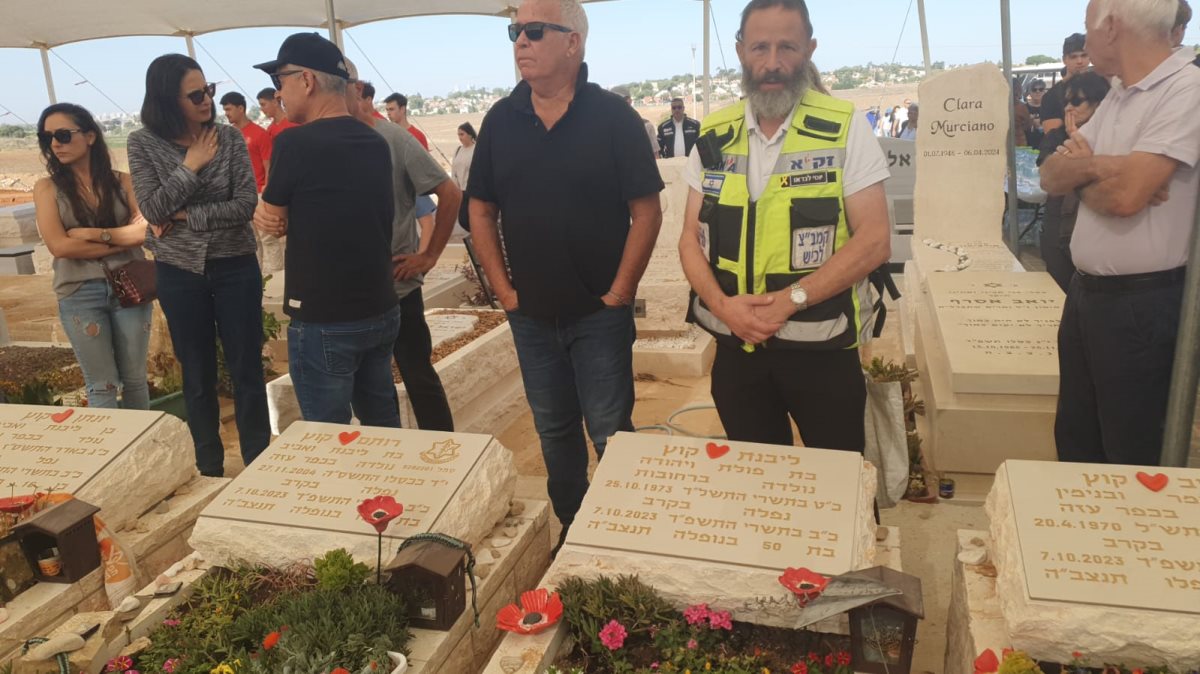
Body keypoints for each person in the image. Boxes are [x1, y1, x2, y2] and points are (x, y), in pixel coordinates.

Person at [468, 0, 664, 552]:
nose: (520, 41)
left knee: (610, 431)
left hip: (599, 315)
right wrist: (504, 291)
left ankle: (623, 539)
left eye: (534, 31)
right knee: (554, 433)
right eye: (515, 31)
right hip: (530, 317)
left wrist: (619, 293)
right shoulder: (501, 120)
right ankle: (574, 533)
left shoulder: (613, 118)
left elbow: (647, 211)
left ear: (573, 42)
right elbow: (479, 208)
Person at [679, 0, 891, 450]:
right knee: (756, 476)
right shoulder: (714, 134)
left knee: (837, 479)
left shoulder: (845, 127)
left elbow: (874, 241)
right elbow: (689, 241)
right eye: (760, 47)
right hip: (737, 349)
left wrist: (790, 300)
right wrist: (723, 307)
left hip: (823, 352)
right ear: (740, 51)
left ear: (809, 49)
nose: (772, 62)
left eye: (787, 47)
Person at [1040, 0, 1200, 466]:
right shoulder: (1119, 93)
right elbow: (1050, 174)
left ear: (1111, 27)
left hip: (1141, 307)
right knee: (1077, 441)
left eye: (1087, 27)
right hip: (1087, 296)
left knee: (1130, 454)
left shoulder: (1185, 90)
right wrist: (1104, 168)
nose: (1085, 42)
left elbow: (1126, 197)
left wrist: (1085, 170)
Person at [128, 54, 270, 477]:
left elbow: (244, 205)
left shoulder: (228, 138)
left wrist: (185, 215)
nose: (207, 100)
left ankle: (260, 464)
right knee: (197, 373)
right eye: (195, 95)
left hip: (235, 265)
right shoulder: (142, 143)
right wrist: (190, 165)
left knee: (247, 368)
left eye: (208, 90)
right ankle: (209, 467)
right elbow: (153, 209)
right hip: (179, 272)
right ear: (167, 99)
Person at [251, 33, 402, 428]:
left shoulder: (294, 143)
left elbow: (273, 217)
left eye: (280, 80)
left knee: (326, 437)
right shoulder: (374, 140)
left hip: (324, 317)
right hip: (380, 307)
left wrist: (272, 214)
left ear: (307, 80)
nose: (278, 93)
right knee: (385, 429)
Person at [346, 57, 462, 431]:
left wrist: (428, 256)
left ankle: (443, 448)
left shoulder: (394, 139)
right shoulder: (326, 141)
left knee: (416, 374)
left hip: (397, 285)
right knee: (367, 386)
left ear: (358, 90)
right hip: (349, 291)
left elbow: (449, 192)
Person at [34, 103, 151, 410]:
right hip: (79, 292)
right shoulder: (47, 188)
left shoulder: (123, 182)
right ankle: (110, 442)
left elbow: (145, 231)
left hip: (131, 287)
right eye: (47, 138)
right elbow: (60, 247)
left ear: (89, 136)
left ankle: (140, 440)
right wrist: (122, 239)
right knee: (102, 385)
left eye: (63, 135)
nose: (55, 144)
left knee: (136, 379)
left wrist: (90, 234)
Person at [1035, 71, 1111, 291]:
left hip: (1096, 227)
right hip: (1057, 219)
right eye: (1067, 102)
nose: (1069, 107)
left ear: (1099, 104)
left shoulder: (1112, 138)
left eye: (1077, 101)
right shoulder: (1056, 136)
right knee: (1057, 284)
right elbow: (1048, 176)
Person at [219, 92, 271, 192]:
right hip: (235, 193)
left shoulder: (260, 134)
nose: (226, 113)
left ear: (240, 109)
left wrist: (267, 189)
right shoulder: (228, 134)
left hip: (257, 191)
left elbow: (268, 165)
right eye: (225, 110)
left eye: (228, 109)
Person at [1041, 33, 1091, 134]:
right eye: (1073, 57)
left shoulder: (1100, 87)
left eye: (1084, 55)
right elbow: (1051, 136)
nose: (1079, 61)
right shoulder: (1051, 96)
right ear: (1064, 60)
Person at [616, 88, 660, 157]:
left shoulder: (647, 125)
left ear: (630, 101)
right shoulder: (607, 128)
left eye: (623, 99)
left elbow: (655, 154)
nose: (620, 103)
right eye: (616, 100)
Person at [452, 122, 477, 232]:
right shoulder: (458, 150)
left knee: (474, 218)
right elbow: (454, 171)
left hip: (473, 191)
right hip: (461, 191)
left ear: (470, 134)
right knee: (463, 219)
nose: (460, 137)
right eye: (458, 135)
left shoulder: (476, 149)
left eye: (462, 134)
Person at [1024, 79, 1047, 148]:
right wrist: (1030, 122)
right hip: (1027, 146)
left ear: (1044, 91)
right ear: (1029, 92)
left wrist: (1040, 127)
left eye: (1041, 89)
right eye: (1034, 89)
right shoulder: (1023, 108)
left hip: (1045, 146)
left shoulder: (1049, 108)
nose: (1037, 91)